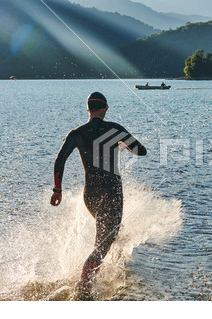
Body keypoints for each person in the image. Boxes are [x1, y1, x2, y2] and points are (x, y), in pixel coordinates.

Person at [50, 92, 147, 300]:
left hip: (90, 194)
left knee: (109, 235)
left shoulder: (77, 132)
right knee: (104, 240)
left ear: (88, 109)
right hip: (111, 191)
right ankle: (83, 285)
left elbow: (59, 161)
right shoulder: (115, 129)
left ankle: (102, 276)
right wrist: (123, 145)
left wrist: (57, 190)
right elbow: (141, 151)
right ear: (105, 109)